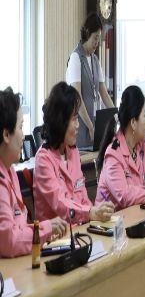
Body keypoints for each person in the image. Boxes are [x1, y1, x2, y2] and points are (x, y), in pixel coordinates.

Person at [34, 82, 114, 224]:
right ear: (61, 121)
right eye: (74, 119)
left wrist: (96, 213)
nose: (78, 125)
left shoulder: (73, 152)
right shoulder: (43, 159)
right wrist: (90, 213)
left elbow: (82, 196)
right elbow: (61, 204)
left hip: (79, 229)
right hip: (57, 235)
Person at [0, 87, 67, 258]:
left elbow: (19, 229)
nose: (23, 136)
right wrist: (45, 229)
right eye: (21, 127)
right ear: (6, 134)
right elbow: (9, 241)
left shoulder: (9, 170)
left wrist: (43, 232)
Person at [65, 12, 115, 148]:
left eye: (99, 38)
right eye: (95, 38)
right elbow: (77, 97)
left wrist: (116, 115)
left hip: (93, 123)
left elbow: (104, 93)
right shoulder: (76, 58)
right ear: (87, 33)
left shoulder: (95, 59)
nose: (97, 43)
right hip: (80, 124)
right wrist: (90, 125)